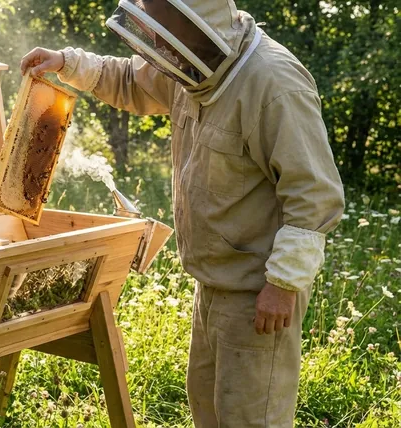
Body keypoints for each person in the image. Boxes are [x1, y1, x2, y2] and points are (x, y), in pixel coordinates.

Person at [20, 0, 345, 427]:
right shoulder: (188, 60)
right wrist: (67, 62)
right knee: (209, 412)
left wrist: (283, 284)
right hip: (211, 283)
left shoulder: (274, 84)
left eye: (165, 43)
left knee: (251, 418)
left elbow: (314, 195)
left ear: (197, 31)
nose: (161, 56)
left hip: (257, 293)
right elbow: (131, 80)